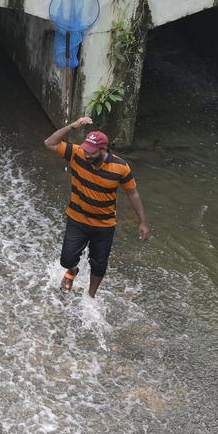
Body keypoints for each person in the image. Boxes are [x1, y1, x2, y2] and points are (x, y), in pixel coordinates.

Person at [44, 117, 149, 298]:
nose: (86, 154)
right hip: (77, 219)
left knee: (99, 264)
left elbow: (133, 193)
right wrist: (72, 126)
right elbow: (49, 143)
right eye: (86, 150)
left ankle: (91, 296)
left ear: (103, 149)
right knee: (67, 258)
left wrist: (143, 221)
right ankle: (72, 270)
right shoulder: (77, 154)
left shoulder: (121, 167)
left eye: (91, 152)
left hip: (104, 225)